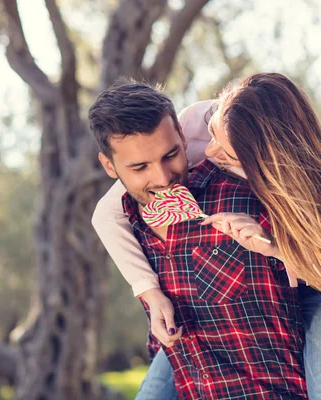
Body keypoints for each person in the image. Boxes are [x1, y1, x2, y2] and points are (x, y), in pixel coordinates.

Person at [92, 73, 321, 399]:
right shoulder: (196, 122)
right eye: (140, 167)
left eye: (227, 154)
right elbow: (106, 214)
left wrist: (275, 248)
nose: (211, 153)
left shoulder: (281, 180)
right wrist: (150, 291)